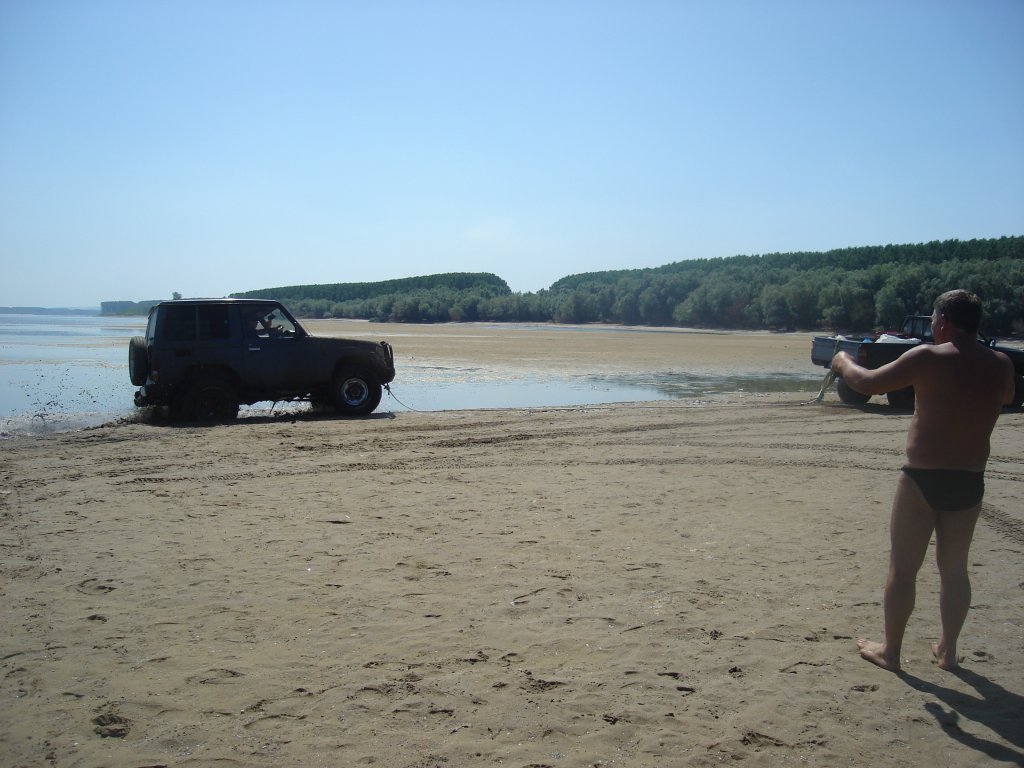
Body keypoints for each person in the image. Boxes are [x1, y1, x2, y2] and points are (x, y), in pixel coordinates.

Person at [831, 290, 1014, 672]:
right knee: (955, 570)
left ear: (943, 321)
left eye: (932, 318)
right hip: (969, 480)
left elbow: (867, 383)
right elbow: (1007, 396)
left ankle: (891, 652)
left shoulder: (927, 357)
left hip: (922, 479)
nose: (931, 324)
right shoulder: (1001, 364)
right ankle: (948, 651)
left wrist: (842, 361)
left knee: (903, 569)